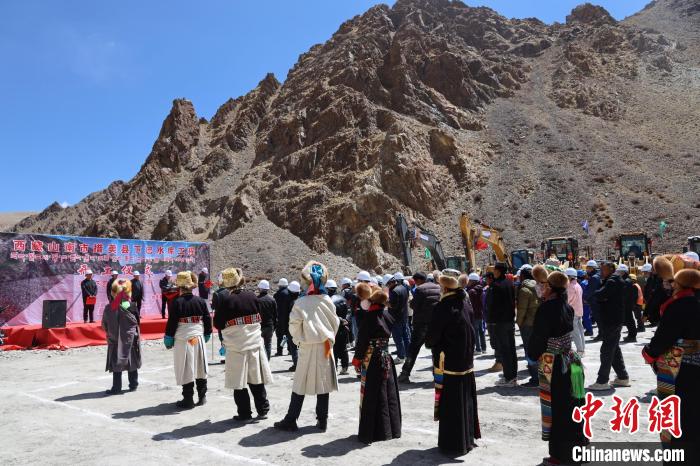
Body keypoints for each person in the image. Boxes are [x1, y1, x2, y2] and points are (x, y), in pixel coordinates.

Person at [527, 271, 587, 465]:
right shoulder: (566, 307)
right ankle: (578, 448)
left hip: (553, 363)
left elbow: (539, 337)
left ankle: (561, 454)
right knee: (574, 404)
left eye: (543, 285)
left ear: (550, 287)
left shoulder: (546, 309)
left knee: (558, 409)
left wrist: (533, 354)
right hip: (571, 360)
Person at [642, 267, 700, 465]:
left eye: (674, 282)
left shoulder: (679, 305)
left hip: (680, 367)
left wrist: (650, 353)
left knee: (677, 412)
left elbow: (664, 337)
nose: (671, 285)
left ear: (680, 284)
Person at [274, 261, 340, 432]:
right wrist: (329, 338)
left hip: (308, 345)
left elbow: (294, 326)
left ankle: (291, 419)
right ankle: (322, 420)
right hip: (325, 346)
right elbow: (335, 323)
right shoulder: (328, 300)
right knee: (323, 383)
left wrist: (299, 340)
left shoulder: (301, 302)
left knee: (300, 383)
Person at [426, 269, 480, 456]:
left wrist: (430, 343)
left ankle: (454, 443)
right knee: (466, 398)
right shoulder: (465, 303)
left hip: (448, 361)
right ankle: (468, 438)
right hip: (465, 359)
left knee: (452, 403)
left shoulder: (443, 307)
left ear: (445, 287)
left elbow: (433, 336)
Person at [214, 268, 272, 421]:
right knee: (256, 378)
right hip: (254, 343)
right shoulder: (252, 296)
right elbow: (260, 315)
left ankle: (245, 413)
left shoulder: (226, 301)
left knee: (238, 382)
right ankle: (263, 409)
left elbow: (218, 323)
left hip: (236, 345)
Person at [351, 286, 401, 444]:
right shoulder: (387, 315)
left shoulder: (370, 317)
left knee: (372, 394)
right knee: (388, 392)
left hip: (371, 358)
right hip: (386, 356)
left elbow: (362, 341)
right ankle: (390, 429)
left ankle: (372, 432)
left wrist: (357, 359)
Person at [163, 271, 212, 409]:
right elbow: (207, 318)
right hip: (197, 338)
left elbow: (172, 322)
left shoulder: (177, 302)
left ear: (180, 287)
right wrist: (207, 333)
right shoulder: (200, 301)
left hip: (183, 339)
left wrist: (168, 337)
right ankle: (202, 396)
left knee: (186, 368)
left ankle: (188, 399)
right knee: (200, 367)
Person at [588, 262, 630, 390]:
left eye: (604, 269)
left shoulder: (612, 281)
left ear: (611, 269)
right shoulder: (613, 280)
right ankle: (622, 377)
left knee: (607, 350)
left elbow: (599, 294)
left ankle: (602, 381)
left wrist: (600, 296)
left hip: (611, 320)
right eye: (600, 269)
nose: (601, 272)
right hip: (613, 319)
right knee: (614, 349)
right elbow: (601, 295)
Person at [397, 271, 440, 383]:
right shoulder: (438, 287)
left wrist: (411, 302)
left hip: (421, 324)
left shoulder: (420, 290)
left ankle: (405, 374)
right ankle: (437, 375)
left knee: (413, 350)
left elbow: (414, 305)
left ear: (419, 280)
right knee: (436, 350)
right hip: (435, 324)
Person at [102, 278, 141, 394]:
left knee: (116, 362)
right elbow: (137, 323)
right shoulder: (132, 306)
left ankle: (116, 387)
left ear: (113, 293)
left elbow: (104, 325)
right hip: (130, 339)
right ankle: (133, 384)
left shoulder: (109, 308)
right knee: (131, 361)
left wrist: (110, 332)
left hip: (115, 340)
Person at [488, 262, 518, 386]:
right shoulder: (509, 283)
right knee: (511, 349)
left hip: (500, 322)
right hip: (509, 320)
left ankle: (508, 378)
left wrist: (491, 321)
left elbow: (492, 305)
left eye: (494, 270)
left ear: (498, 271)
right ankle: (513, 376)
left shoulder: (495, 285)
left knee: (504, 350)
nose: (493, 272)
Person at [516, 266, 540, 387]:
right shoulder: (539, 286)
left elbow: (521, 309)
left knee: (529, 351)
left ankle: (535, 379)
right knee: (539, 350)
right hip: (538, 323)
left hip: (527, 324)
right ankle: (542, 376)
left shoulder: (524, 290)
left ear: (522, 276)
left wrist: (519, 323)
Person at [327, 280, 350, 375]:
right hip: (344, 327)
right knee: (343, 348)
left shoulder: (329, 300)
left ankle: (334, 368)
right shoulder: (343, 299)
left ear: (328, 289)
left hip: (334, 327)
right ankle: (345, 367)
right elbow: (348, 313)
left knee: (334, 349)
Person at [388, 272, 411, 365]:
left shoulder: (394, 291)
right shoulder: (403, 287)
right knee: (406, 337)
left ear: (390, 283)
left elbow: (393, 305)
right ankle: (408, 355)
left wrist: (385, 302)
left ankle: (401, 357)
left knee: (398, 338)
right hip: (404, 316)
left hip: (396, 318)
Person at [565, 268, 585, 356]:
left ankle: (580, 351)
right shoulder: (578, 285)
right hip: (579, 311)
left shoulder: (570, 286)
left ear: (569, 277)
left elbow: (567, 300)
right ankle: (582, 349)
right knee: (580, 332)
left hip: (572, 312)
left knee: (575, 333)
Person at [617, 264, 639, 343]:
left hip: (627, 304)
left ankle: (632, 336)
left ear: (623, 272)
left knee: (629, 320)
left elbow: (624, 294)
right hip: (628, 303)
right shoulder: (627, 280)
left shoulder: (626, 281)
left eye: (619, 271)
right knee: (629, 320)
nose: (618, 273)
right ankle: (631, 335)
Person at [256, 279, 277, 361]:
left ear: (260, 288)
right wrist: (274, 326)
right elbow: (275, 315)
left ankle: (260, 361)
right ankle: (267, 362)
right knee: (268, 344)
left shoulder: (256, 300)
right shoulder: (272, 300)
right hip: (269, 325)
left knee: (258, 345)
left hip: (259, 326)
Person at [466, 273, 487, 355]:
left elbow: (470, 304)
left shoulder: (471, 291)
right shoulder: (482, 289)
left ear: (472, 281)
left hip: (474, 314)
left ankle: (478, 349)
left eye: (469, 280)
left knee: (475, 332)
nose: (468, 282)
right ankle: (484, 348)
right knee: (481, 331)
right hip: (481, 313)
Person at [582, 260, 601, 340]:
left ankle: (601, 335)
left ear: (592, 268)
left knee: (598, 318)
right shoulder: (598, 275)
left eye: (588, 268)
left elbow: (591, 290)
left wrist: (586, 299)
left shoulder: (594, 277)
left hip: (595, 301)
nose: (587, 270)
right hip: (598, 300)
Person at [273, 278, 291, 356]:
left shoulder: (276, 295)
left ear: (279, 285)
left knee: (280, 336)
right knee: (289, 335)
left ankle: (280, 351)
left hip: (280, 319)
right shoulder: (289, 294)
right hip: (289, 318)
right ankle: (290, 350)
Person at [578, 269, 594, 336]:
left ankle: (589, 330)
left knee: (585, 317)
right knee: (587, 316)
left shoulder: (582, 283)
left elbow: (583, 293)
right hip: (588, 301)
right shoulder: (587, 282)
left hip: (584, 302)